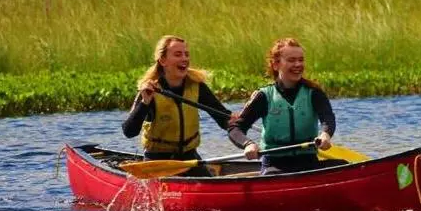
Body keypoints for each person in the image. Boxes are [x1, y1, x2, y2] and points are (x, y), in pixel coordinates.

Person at [122, 35, 232, 176]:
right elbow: (129, 131)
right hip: (158, 162)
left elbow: (224, 119)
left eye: (186, 54)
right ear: (162, 60)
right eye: (178, 54)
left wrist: (245, 138)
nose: (184, 58)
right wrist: (145, 102)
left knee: (210, 184)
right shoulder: (150, 90)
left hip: (189, 158)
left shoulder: (197, 86)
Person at [228, 37, 340, 175]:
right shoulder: (264, 96)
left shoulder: (314, 93)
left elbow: (328, 117)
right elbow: (235, 128)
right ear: (276, 65)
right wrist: (248, 144)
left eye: (301, 60)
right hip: (274, 166)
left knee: (344, 165)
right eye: (291, 60)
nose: (298, 64)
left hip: (309, 161)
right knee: (274, 176)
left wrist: (325, 134)